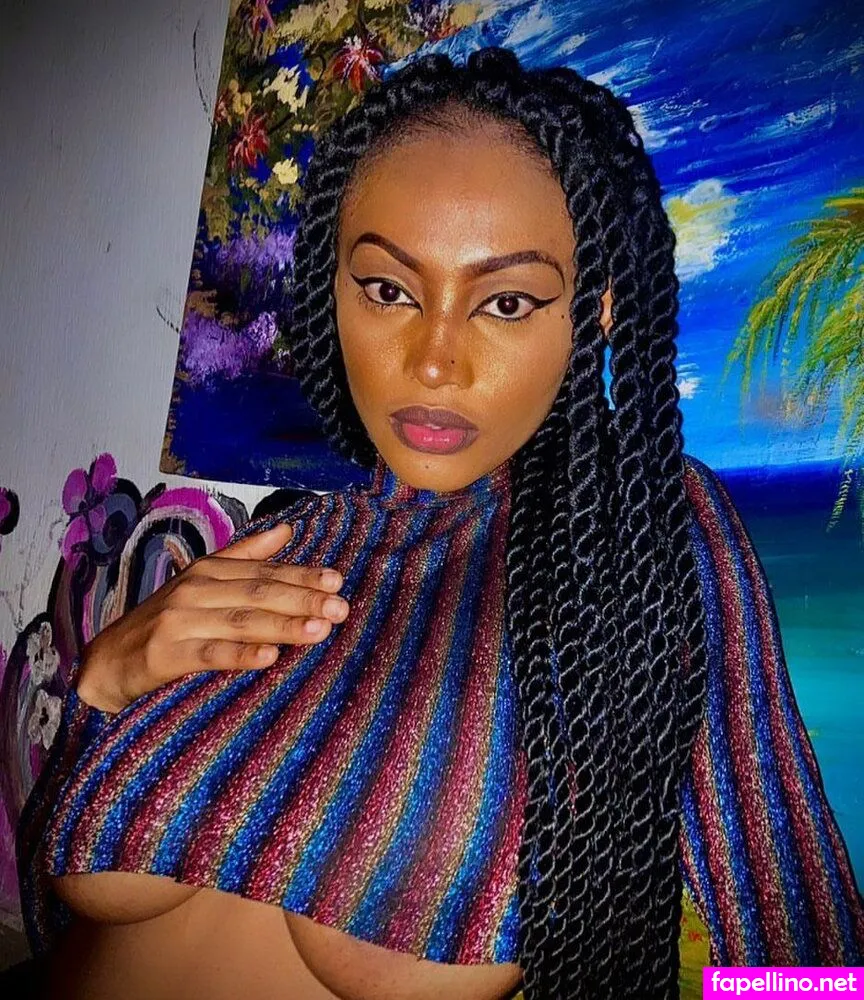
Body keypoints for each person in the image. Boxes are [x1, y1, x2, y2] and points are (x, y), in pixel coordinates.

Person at [14, 46, 864, 1000]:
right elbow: (53, 908)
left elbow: (810, 965)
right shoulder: (278, 550)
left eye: (506, 302)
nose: (432, 360)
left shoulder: (644, 535)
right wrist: (100, 686)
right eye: (388, 289)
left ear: (596, 312)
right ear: (330, 287)